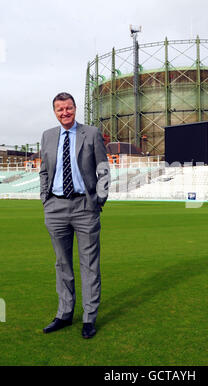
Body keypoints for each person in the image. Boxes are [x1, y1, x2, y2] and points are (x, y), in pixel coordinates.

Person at [40, 92, 110, 339]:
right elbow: (44, 172)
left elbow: (103, 168)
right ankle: (64, 314)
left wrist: (99, 200)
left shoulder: (90, 133)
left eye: (68, 108)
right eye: (60, 109)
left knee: (89, 265)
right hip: (56, 208)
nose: (65, 113)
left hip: (85, 207)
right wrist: (45, 201)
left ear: (75, 108)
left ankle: (89, 318)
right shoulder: (48, 136)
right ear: (55, 112)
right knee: (62, 264)